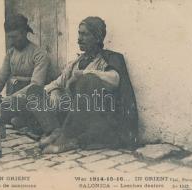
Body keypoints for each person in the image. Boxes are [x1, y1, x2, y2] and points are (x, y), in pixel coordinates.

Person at [36, 16, 138, 153]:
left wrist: (86, 73)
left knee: (87, 80)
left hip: (97, 115)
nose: (79, 38)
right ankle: (56, 131)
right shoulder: (77, 61)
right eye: (79, 33)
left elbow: (115, 79)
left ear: (97, 38)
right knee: (35, 92)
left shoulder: (107, 59)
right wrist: (43, 92)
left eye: (85, 34)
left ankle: (65, 138)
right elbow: (58, 82)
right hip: (73, 112)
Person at [0, 14, 51, 135]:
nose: (12, 40)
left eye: (15, 36)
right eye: (9, 37)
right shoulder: (11, 53)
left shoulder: (40, 54)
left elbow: (36, 85)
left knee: (2, 111)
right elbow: (0, 79)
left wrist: (9, 99)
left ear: (24, 33)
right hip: (10, 100)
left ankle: (11, 119)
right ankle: (6, 118)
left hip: (29, 100)